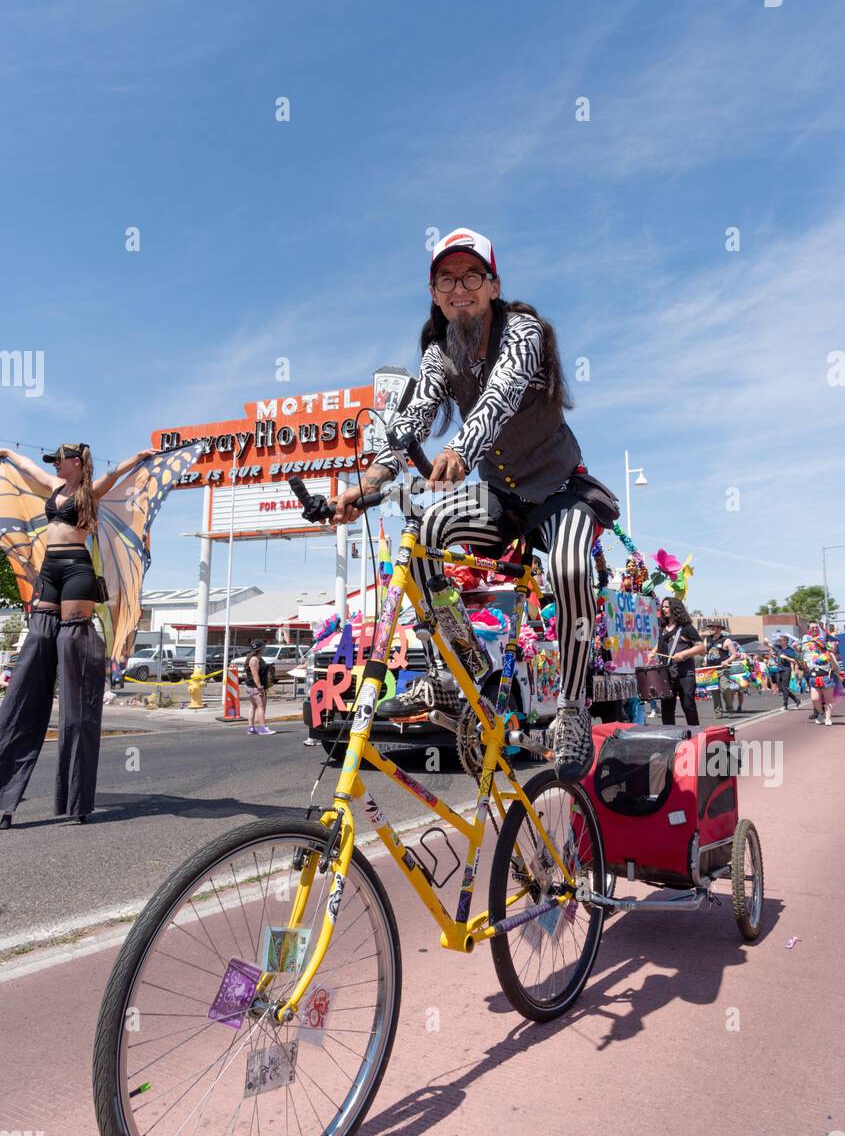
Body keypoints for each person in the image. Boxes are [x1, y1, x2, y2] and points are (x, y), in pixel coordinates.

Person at [330, 227, 619, 779]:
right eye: (446, 279)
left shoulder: (524, 332)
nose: (458, 287)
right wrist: (366, 486)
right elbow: (410, 420)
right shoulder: (440, 354)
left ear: (493, 285)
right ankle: (463, 671)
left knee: (569, 565)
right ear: (435, 293)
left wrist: (461, 450)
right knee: (425, 534)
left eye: (470, 276)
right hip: (503, 496)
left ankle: (574, 708)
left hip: (560, 492)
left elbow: (500, 395)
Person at [0, 441, 152, 828]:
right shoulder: (53, 488)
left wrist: (138, 457)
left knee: (71, 652)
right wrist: (6, 454)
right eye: (54, 460)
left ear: (77, 463)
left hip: (77, 572)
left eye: (60, 460)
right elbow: (26, 466)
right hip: (48, 572)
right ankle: (5, 797)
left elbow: (118, 473)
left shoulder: (90, 492)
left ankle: (76, 798)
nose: (55, 464)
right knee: (35, 652)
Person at [648, 597, 704, 727]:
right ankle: (670, 736)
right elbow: (661, 643)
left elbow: (701, 647)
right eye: (663, 607)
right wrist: (653, 651)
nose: (663, 609)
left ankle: (695, 732)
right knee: (667, 710)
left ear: (675, 608)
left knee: (688, 706)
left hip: (685, 673)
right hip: (666, 674)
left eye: (667, 607)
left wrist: (684, 654)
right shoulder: (663, 628)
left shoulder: (686, 628)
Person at [800, 622, 843, 726]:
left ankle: (828, 719)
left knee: (828, 700)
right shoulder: (812, 654)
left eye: (820, 643)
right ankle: (821, 713)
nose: (818, 644)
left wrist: (833, 663)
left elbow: (835, 666)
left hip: (826, 679)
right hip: (813, 678)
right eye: (816, 643)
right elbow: (804, 657)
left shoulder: (828, 654)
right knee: (814, 699)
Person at [703, 620, 739, 718]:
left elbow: (735, 654)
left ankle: (729, 708)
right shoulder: (707, 639)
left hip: (723, 669)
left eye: (713, 627)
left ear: (719, 629)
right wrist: (704, 660)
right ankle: (718, 711)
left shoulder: (726, 640)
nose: (711, 629)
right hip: (711, 669)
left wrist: (727, 661)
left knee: (725, 688)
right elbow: (704, 652)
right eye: (710, 627)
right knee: (714, 691)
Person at [243, 639, 275, 736]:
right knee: (261, 707)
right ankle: (262, 728)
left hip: (251, 686)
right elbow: (255, 675)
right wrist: (260, 687)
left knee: (253, 706)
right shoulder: (255, 659)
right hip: (255, 686)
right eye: (263, 647)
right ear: (260, 648)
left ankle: (251, 728)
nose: (264, 649)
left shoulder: (255, 658)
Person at [772, 634, 802, 710]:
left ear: (785, 641)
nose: (779, 641)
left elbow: (795, 661)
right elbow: (769, 645)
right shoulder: (778, 648)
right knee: (781, 688)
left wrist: (785, 657)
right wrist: (765, 641)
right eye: (779, 640)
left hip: (786, 670)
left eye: (781, 640)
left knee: (785, 687)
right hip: (779, 670)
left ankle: (785, 705)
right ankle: (796, 700)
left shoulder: (790, 650)